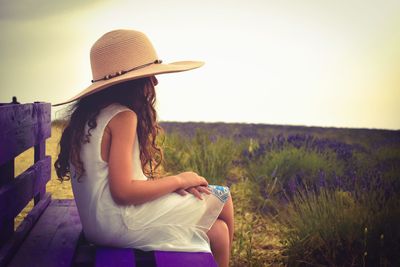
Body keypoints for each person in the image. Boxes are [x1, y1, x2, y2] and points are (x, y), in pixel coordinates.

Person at [53, 29, 234, 267]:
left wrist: (168, 188)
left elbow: (115, 185)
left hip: (98, 225)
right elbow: (123, 192)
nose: (156, 81)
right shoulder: (123, 116)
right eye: (150, 75)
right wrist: (180, 180)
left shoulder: (89, 116)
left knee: (218, 232)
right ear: (133, 82)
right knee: (223, 195)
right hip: (120, 222)